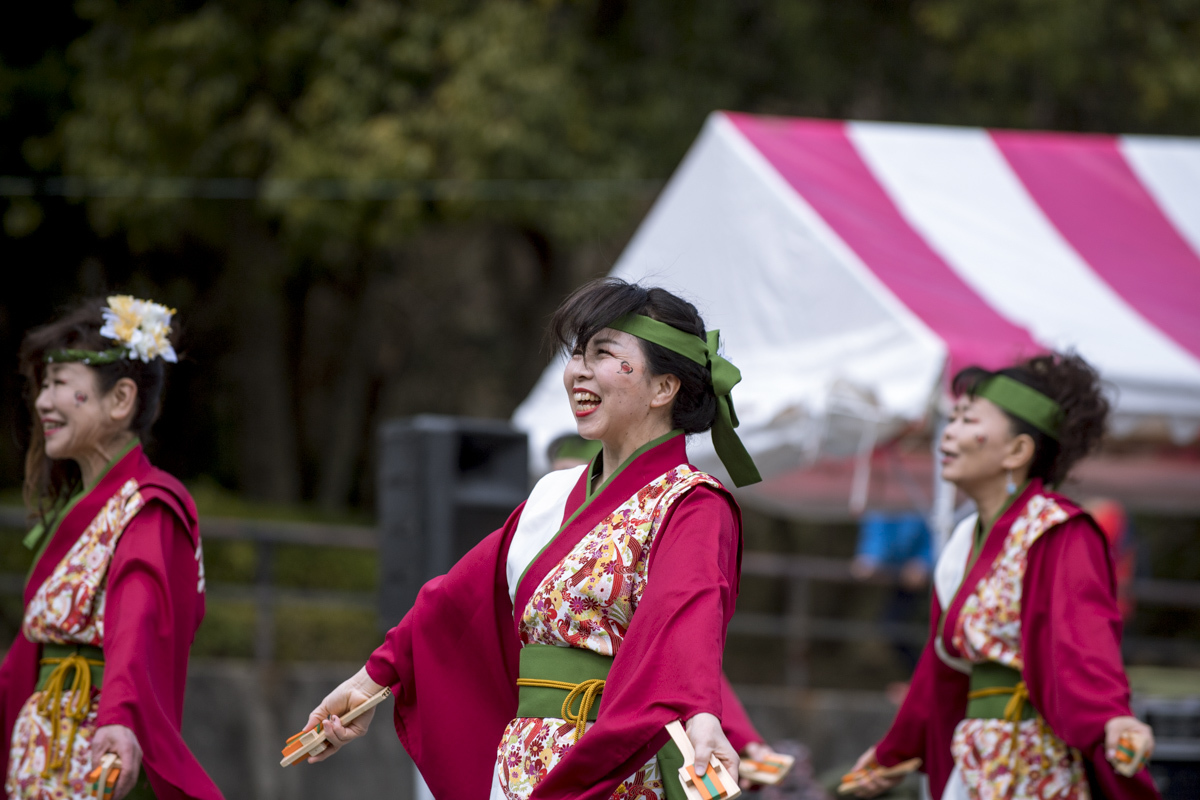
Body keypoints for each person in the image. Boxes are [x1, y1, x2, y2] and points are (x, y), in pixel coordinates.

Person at [300, 278, 762, 799]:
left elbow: (690, 615)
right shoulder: (551, 494)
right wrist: (367, 684)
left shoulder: (691, 502)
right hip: (521, 758)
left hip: (611, 767)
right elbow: (452, 603)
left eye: (604, 354)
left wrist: (701, 716)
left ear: (664, 387)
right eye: (577, 354)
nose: (578, 371)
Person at [849, 353, 1159, 800]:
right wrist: (894, 752)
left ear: (1017, 450)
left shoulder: (1058, 530)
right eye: (952, 417)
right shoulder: (962, 539)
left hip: (1036, 760)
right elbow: (942, 669)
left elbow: (1084, 643)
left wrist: (1113, 717)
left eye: (968, 419)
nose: (949, 431)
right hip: (976, 757)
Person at [0, 297, 223, 800]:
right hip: (38, 756)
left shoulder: (151, 506)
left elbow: (136, 617)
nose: (42, 403)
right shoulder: (87, 508)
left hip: (95, 756)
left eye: (60, 385)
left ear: (120, 400)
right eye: (43, 386)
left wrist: (120, 716)